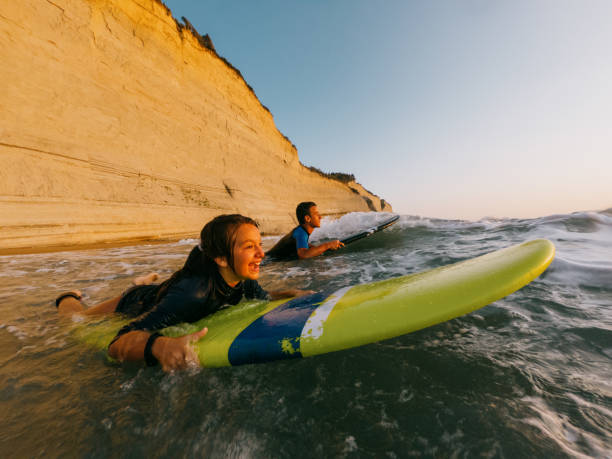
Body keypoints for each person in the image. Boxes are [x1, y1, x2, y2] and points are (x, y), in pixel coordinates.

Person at [55, 214, 312, 371]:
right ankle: (68, 295)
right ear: (221, 258)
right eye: (249, 247)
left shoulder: (242, 278)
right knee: (76, 320)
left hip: (163, 292)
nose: (261, 254)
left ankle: (144, 281)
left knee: (155, 288)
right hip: (134, 303)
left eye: (260, 244)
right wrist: (160, 345)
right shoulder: (193, 294)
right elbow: (118, 342)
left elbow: (263, 297)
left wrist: (288, 293)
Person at [266, 201, 344, 260]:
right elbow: (303, 255)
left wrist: (314, 248)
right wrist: (328, 245)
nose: (320, 217)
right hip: (267, 261)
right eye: (316, 214)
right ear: (307, 218)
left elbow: (296, 245)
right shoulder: (301, 233)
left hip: (268, 258)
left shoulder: (300, 231)